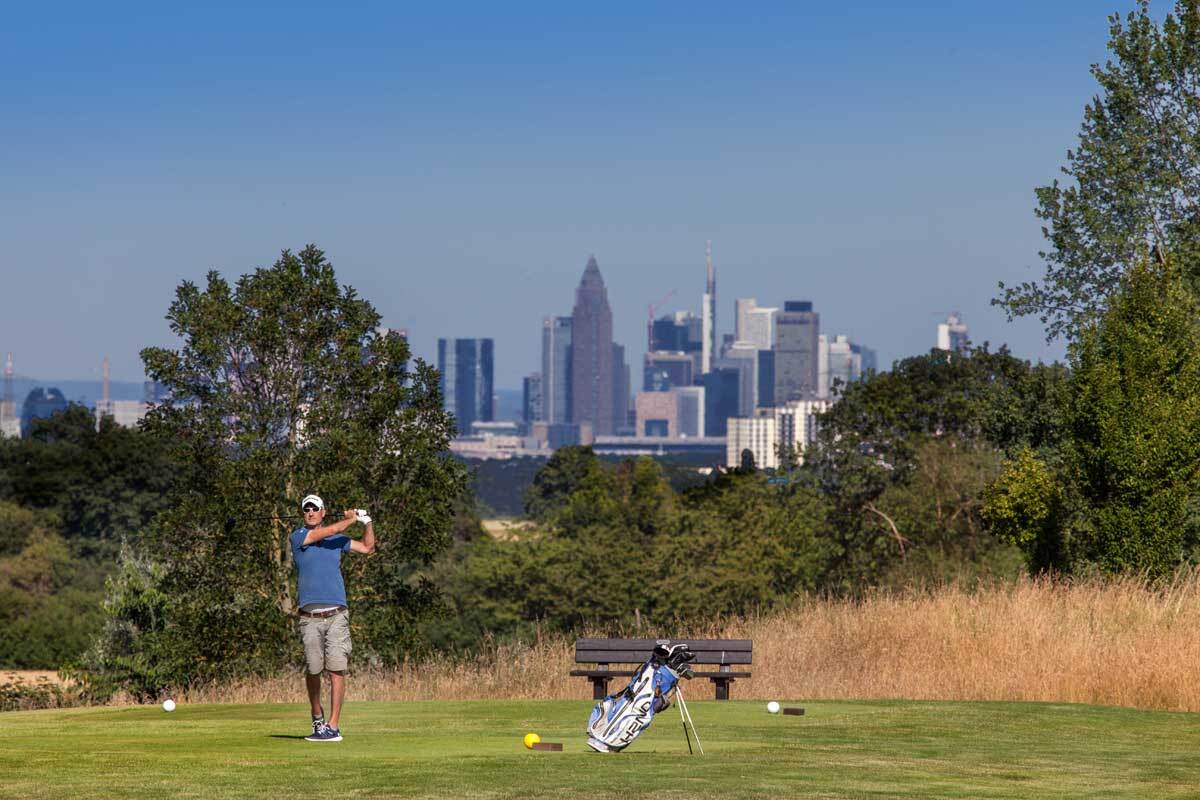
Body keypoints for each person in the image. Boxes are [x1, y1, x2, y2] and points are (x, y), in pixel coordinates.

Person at [290, 493, 374, 742]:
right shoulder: (299, 537)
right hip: (309, 617)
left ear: (323, 512)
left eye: (314, 509)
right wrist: (350, 519)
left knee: (337, 669)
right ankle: (317, 716)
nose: (310, 513)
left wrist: (367, 522)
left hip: (337, 614)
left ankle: (333, 726)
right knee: (313, 669)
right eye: (306, 509)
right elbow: (327, 532)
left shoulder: (337, 540)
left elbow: (367, 548)